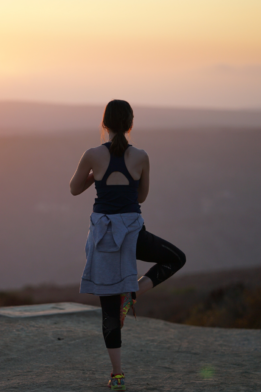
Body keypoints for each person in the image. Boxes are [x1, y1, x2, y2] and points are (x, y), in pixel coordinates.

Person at [69, 99, 186, 391]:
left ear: (104, 124)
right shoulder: (142, 156)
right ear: (131, 124)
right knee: (175, 258)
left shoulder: (92, 154)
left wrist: (97, 175)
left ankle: (118, 375)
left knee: (108, 308)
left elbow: (73, 188)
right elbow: (141, 197)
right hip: (133, 235)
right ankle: (134, 291)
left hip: (103, 238)